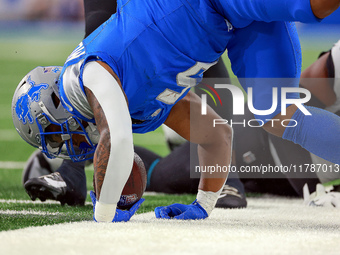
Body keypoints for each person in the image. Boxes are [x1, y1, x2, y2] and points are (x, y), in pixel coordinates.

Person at [12, 0, 340, 222]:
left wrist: (104, 214)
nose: (63, 143)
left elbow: (119, 141)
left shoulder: (91, 70)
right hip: (232, 25)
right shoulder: (140, 106)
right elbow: (216, 135)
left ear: (53, 102)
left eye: (53, 134)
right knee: (279, 115)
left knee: (314, 4)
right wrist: (203, 204)